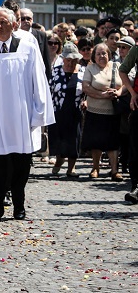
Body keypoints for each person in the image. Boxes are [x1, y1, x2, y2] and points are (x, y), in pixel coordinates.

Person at [0, 7, 54, 224]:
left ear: (14, 24)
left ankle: (19, 205)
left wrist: (38, 114)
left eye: (4, 22)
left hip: (20, 118)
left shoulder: (27, 49)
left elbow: (39, 82)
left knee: (21, 165)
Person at [81, 43, 123, 181]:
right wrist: (103, 95)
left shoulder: (116, 67)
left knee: (113, 142)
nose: (101, 56)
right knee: (96, 142)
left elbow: (125, 84)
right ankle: (95, 168)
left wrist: (118, 92)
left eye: (104, 53)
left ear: (109, 54)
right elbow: (86, 88)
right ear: (94, 56)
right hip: (95, 111)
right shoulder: (90, 68)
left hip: (113, 111)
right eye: (98, 54)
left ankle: (115, 170)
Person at [48, 43, 85, 177]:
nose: (70, 63)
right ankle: (59, 160)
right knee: (58, 138)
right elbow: (49, 90)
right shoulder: (56, 70)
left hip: (75, 111)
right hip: (58, 110)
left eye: (73, 60)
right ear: (63, 59)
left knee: (74, 138)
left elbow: (87, 89)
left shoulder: (82, 71)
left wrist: (85, 100)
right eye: (68, 60)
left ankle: (71, 168)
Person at [120, 42, 138, 203]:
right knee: (136, 148)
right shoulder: (137, 50)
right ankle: (136, 186)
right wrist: (132, 93)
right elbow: (123, 70)